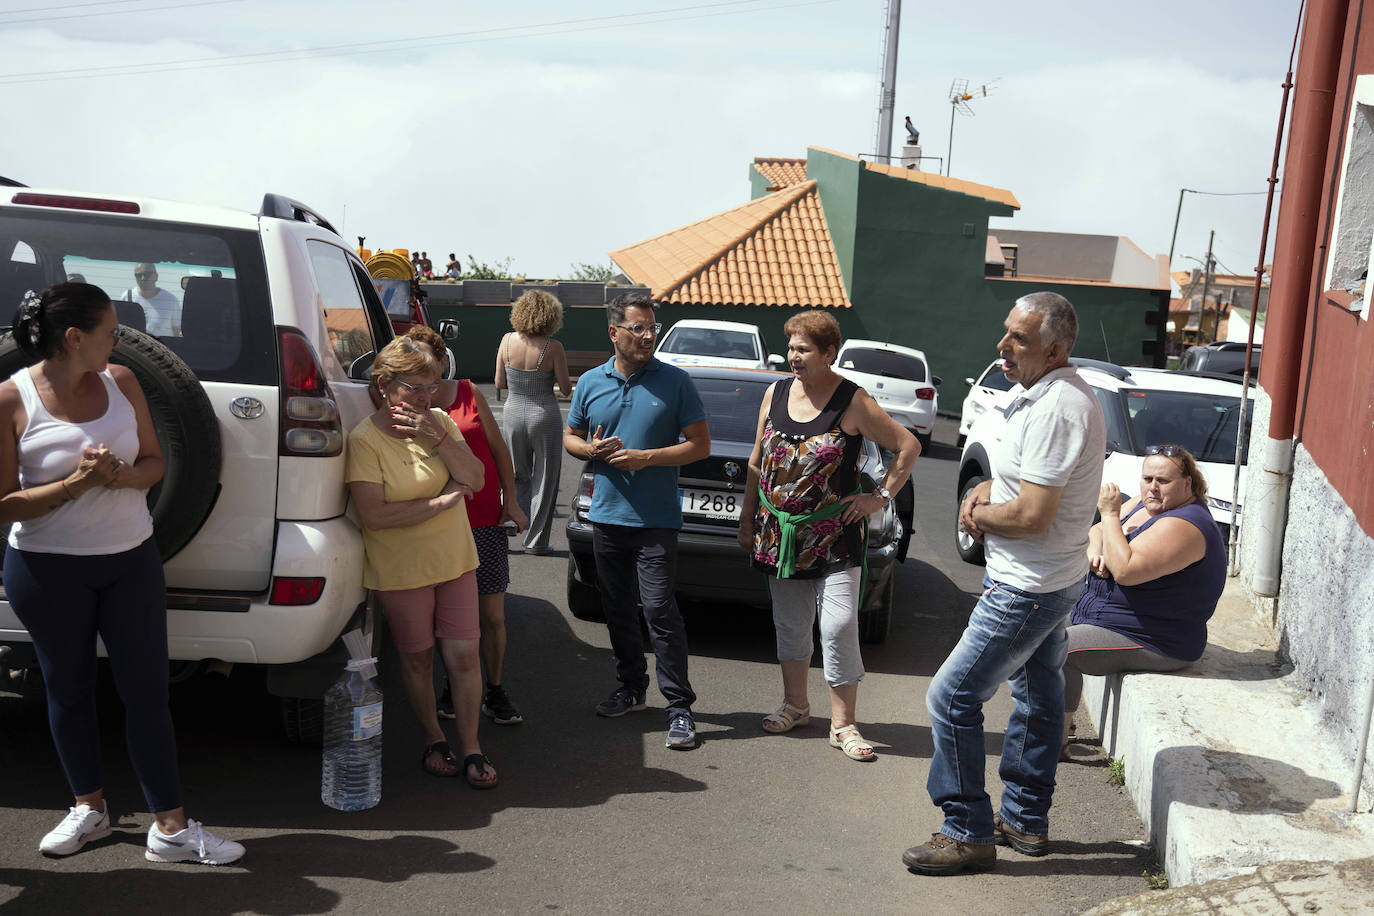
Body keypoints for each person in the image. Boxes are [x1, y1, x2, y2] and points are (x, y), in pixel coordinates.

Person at [1, 283, 243, 864]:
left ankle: (171, 828)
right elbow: (6, 503)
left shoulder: (124, 381)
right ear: (73, 337)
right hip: (46, 567)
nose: (124, 337)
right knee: (68, 689)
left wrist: (123, 477)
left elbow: (155, 463)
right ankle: (89, 809)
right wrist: (75, 486)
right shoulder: (11, 399)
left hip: (129, 560)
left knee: (145, 692)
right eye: (111, 329)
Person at [903, 291, 1105, 875]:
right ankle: (1023, 818)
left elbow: (1033, 515)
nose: (1003, 345)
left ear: (1056, 348)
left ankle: (966, 830)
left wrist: (976, 515)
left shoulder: (1059, 406)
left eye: (1018, 338)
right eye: (1006, 332)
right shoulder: (1038, 395)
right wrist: (986, 490)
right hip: (1046, 578)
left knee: (950, 696)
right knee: (1039, 697)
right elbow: (1024, 483)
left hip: (1029, 587)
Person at [737, 310, 919, 761]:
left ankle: (844, 724)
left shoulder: (853, 401)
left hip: (836, 535)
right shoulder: (775, 392)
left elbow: (907, 446)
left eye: (803, 350)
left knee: (837, 624)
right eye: (791, 348)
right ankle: (795, 704)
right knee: (790, 623)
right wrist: (747, 518)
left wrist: (879, 497)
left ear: (828, 354)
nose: (793, 357)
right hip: (780, 534)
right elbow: (758, 461)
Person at [345, 337, 498, 788]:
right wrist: (441, 501)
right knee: (418, 660)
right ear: (384, 385)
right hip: (402, 569)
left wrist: (435, 436)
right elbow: (375, 516)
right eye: (414, 387)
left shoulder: (438, 423)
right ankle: (434, 739)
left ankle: (471, 745)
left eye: (431, 387)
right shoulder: (365, 441)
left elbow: (476, 477)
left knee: (466, 656)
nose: (425, 398)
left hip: (454, 559)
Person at [563, 292, 710, 749]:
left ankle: (680, 706)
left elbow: (700, 445)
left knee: (660, 608)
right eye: (638, 328)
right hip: (606, 517)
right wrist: (589, 450)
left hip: (656, 519)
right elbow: (571, 435)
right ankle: (631, 688)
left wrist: (647, 458)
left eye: (652, 328)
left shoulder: (676, 382)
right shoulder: (590, 382)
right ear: (614, 332)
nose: (648, 336)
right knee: (618, 609)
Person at [399, 326, 530, 726]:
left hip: (482, 518)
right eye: (414, 362)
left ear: (442, 361)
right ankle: (453, 687)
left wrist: (511, 500)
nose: (426, 371)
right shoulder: (401, 401)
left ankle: (493, 688)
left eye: (430, 360)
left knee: (491, 616)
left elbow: (497, 449)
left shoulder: (468, 392)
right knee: (449, 619)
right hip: (435, 521)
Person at [1062, 445, 1226, 755]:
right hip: (1106, 616)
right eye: (1147, 478)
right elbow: (1095, 531)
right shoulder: (1146, 505)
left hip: (1153, 638)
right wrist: (1097, 550)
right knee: (1032, 624)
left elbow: (1125, 571)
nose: (1152, 487)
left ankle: (1054, 738)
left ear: (1187, 483)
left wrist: (1111, 513)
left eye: (1163, 481)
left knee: (1057, 648)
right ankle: (1048, 722)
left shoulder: (1185, 525)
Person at [496, 290, 571, 555]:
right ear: (551, 316)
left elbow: (499, 383)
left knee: (514, 473)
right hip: (544, 414)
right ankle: (536, 542)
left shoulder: (506, 341)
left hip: (513, 412)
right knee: (546, 477)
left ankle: (506, 529)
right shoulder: (553, 347)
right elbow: (564, 388)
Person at [119, 263, 180, 337]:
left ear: (156, 276)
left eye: (147, 274)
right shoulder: (127, 297)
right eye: (138, 275)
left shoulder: (171, 300)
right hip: (134, 347)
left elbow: (176, 331)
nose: (143, 278)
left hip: (162, 347)